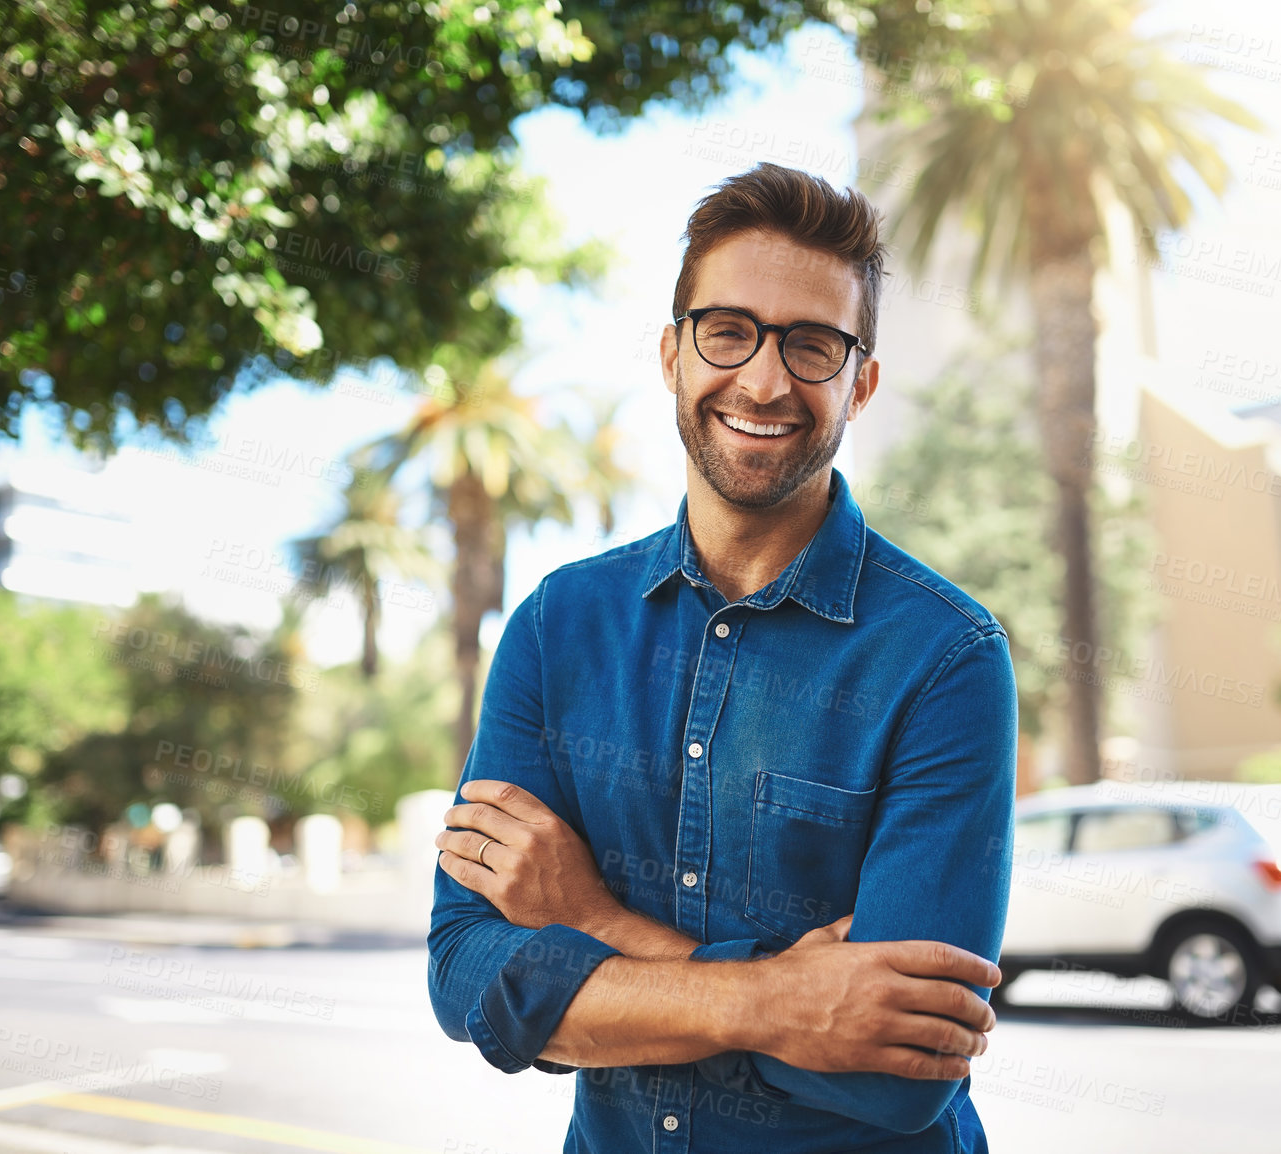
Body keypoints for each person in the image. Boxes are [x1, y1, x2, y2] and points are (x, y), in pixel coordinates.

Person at [427, 161, 1017, 1152]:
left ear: (859, 383)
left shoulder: (945, 657)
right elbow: (472, 973)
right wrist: (783, 999)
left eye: (812, 345)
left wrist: (591, 919)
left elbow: (896, 1075)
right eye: (728, 330)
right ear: (672, 353)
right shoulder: (555, 624)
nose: (764, 379)